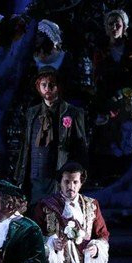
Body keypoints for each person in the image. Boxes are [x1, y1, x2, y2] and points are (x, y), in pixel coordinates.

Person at [14, 66, 88, 205]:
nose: (47, 88)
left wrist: (78, 175)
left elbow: (81, 147)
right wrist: (20, 175)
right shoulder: (32, 113)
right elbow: (26, 146)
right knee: (35, 211)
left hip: (58, 176)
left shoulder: (72, 112)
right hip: (34, 176)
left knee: (57, 211)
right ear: (38, 87)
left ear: (58, 86)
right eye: (44, 85)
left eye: (51, 85)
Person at [90, 8, 132, 182]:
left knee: (129, 133)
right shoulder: (101, 51)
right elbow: (97, 77)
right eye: (110, 24)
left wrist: (129, 91)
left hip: (129, 98)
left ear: (124, 27)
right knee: (108, 136)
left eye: (117, 24)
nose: (114, 27)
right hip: (108, 98)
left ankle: (127, 171)